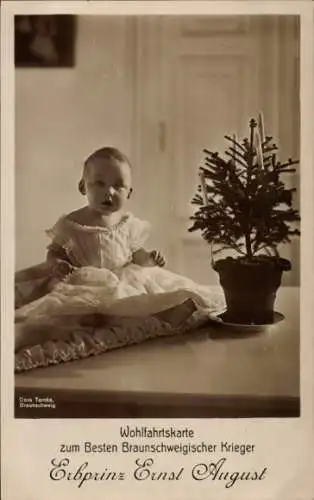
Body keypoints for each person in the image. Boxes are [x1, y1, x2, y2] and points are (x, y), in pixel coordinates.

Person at [15, 147, 225, 337]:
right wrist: (57, 264)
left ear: (130, 192)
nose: (109, 192)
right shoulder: (71, 224)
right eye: (100, 183)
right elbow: (55, 251)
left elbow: (134, 252)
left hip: (123, 276)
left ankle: (163, 312)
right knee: (73, 306)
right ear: (82, 186)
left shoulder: (126, 223)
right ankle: (92, 318)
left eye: (119, 186)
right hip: (85, 278)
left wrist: (149, 258)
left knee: (142, 296)